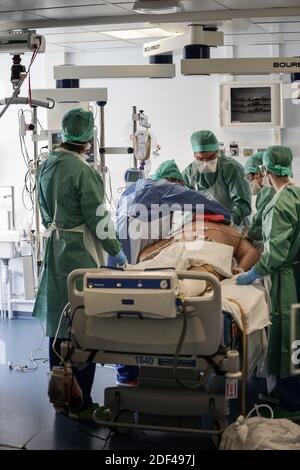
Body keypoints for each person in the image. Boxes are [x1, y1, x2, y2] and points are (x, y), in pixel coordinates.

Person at [33, 108, 126, 419]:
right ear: (88, 138)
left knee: (59, 326)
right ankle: (81, 402)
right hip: (79, 252)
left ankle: (60, 397)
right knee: (81, 327)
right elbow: (98, 218)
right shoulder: (84, 172)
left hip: (56, 246)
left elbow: (44, 208)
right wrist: (117, 250)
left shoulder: (48, 165)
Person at [236, 145, 300, 417]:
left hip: (284, 277)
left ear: (265, 170)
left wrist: (252, 273)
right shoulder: (294, 194)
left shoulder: (280, 203)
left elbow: (275, 253)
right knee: (295, 336)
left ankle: (291, 401)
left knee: (286, 336)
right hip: (293, 273)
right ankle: (288, 394)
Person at [108, 159, 231, 267]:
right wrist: (227, 216)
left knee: (118, 278)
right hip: (134, 238)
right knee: (133, 275)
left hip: (119, 239)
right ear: (173, 179)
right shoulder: (165, 187)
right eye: (181, 185)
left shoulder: (135, 188)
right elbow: (199, 200)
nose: (181, 189)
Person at [183, 130, 252, 227]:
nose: (206, 163)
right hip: (203, 224)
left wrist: (230, 219)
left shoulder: (231, 169)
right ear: (194, 154)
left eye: (211, 157)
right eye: (200, 158)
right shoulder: (189, 174)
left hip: (234, 225)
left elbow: (242, 202)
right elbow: (185, 204)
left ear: (217, 151)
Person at [244, 152, 275, 243]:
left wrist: (249, 234)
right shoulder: (266, 190)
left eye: (248, 177)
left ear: (258, 174)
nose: (248, 182)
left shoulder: (269, 192)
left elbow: (260, 224)